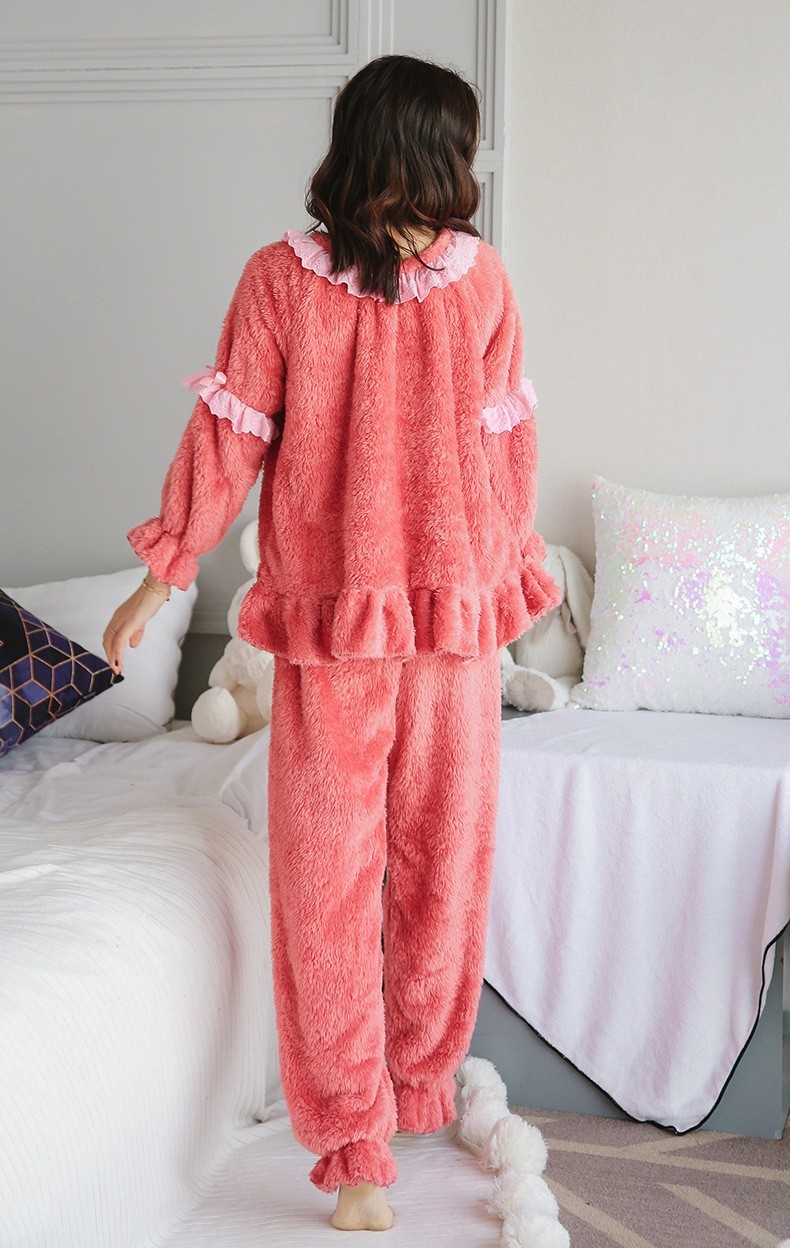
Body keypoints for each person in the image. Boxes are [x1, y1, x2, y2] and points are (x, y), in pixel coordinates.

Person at [104, 54, 561, 1233]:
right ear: (404, 149)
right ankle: (353, 1136)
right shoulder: (281, 282)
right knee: (324, 879)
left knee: (445, 867)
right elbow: (229, 436)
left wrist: (513, 578)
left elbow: (503, 451)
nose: (461, 168)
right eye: (450, 146)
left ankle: (417, 1083)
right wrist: (165, 567)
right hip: (331, 626)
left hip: (451, 628)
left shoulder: (481, 282)